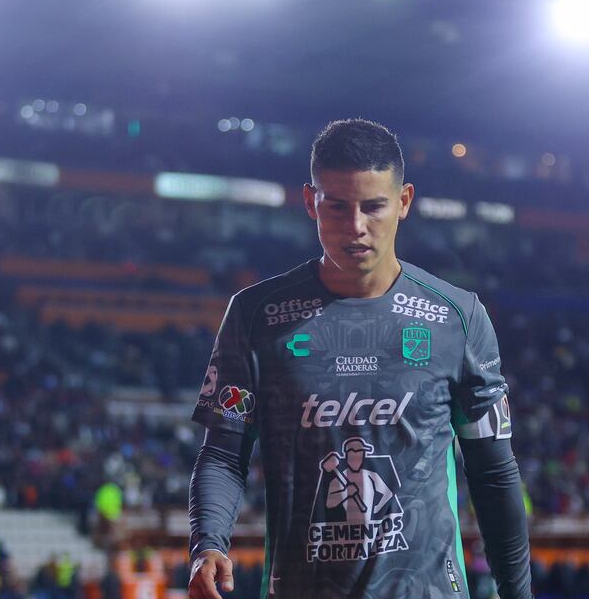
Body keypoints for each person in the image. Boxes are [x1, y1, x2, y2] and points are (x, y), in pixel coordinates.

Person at [187, 119, 532, 599]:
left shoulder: (458, 317)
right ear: (310, 203)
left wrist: (518, 594)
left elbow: (493, 471)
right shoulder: (256, 316)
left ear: (404, 202)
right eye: (337, 207)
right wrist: (207, 543)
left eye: (374, 207)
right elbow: (224, 452)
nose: (356, 227)